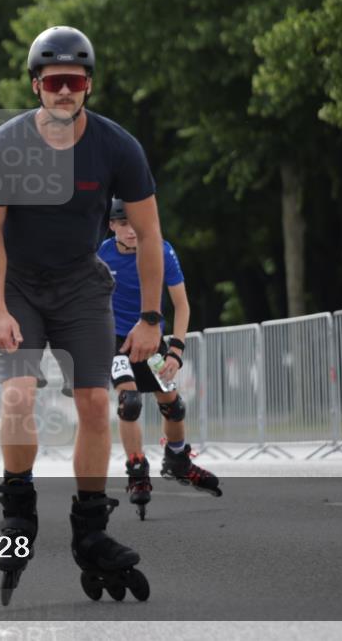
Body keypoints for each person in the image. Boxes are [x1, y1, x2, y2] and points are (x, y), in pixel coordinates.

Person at [0, 26, 160, 604]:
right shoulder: (3, 146)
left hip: (82, 284)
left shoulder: (116, 146)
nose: (64, 91)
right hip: (22, 285)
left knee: (96, 401)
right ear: (37, 86)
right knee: (18, 396)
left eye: (74, 82)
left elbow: (150, 234)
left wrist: (152, 316)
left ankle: (91, 531)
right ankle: (20, 515)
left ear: (88, 86)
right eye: (53, 81)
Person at [100, 199, 221, 520]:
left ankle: (178, 459)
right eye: (122, 224)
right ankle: (137, 468)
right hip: (115, 342)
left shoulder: (161, 250)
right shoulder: (99, 255)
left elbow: (181, 305)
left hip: (151, 340)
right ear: (111, 225)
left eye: (135, 223)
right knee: (130, 402)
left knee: (174, 404)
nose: (131, 231)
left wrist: (176, 351)